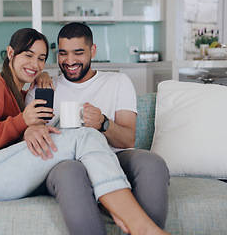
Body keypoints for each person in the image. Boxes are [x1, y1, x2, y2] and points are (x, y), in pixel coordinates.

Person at [0, 27, 169, 235]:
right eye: (28, 55)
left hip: (2, 171)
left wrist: (39, 81)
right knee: (84, 134)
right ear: (10, 53)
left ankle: (128, 216)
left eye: (41, 58)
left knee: (71, 131)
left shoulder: (21, 90)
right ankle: (138, 224)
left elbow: (16, 137)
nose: (35, 63)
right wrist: (21, 123)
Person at [26, 22, 170, 235]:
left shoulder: (118, 82)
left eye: (79, 52)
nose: (70, 61)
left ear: (93, 51)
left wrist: (104, 123)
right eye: (63, 53)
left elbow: (128, 139)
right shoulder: (43, 88)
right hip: (66, 163)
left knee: (153, 162)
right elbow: (32, 138)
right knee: (70, 171)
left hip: (113, 159)